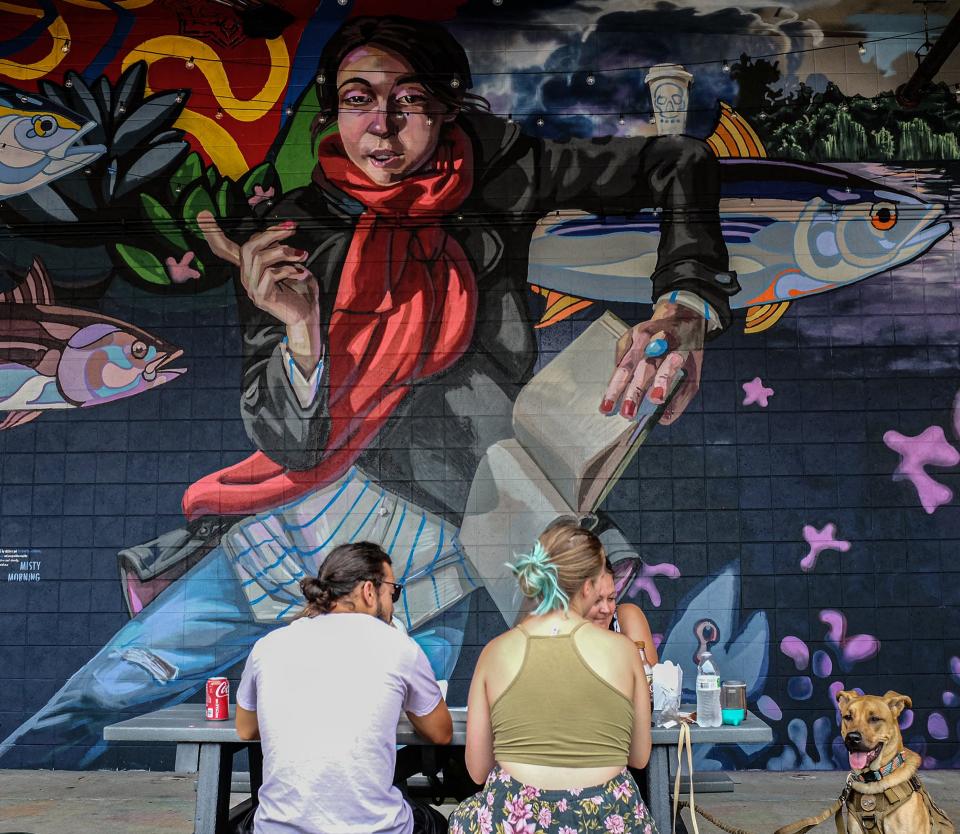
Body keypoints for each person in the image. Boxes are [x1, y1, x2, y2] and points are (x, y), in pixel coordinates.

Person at [0, 14, 737, 768]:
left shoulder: (500, 169)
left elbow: (679, 161)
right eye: (358, 99)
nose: (381, 127)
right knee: (94, 699)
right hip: (298, 522)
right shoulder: (291, 233)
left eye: (408, 101)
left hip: (441, 542)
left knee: (384, 752)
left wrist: (687, 302)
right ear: (334, 112)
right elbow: (290, 441)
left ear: (448, 109)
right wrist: (299, 332)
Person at [449, 518, 659, 833]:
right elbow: (640, 756)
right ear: (588, 586)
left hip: (515, 819)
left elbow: (477, 771)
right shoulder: (624, 651)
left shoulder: (495, 653)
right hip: (606, 819)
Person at [235, 541, 453, 834]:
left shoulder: (268, 646)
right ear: (368, 591)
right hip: (376, 829)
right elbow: (440, 733)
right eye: (393, 593)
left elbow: (247, 729)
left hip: (279, 828)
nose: (392, 605)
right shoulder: (400, 648)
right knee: (436, 822)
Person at [588, 558, 659, 664]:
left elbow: (647, 674)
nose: (606, 609)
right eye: (597, 600)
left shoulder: (625, 616)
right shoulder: (559, 630)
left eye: (611, 598)